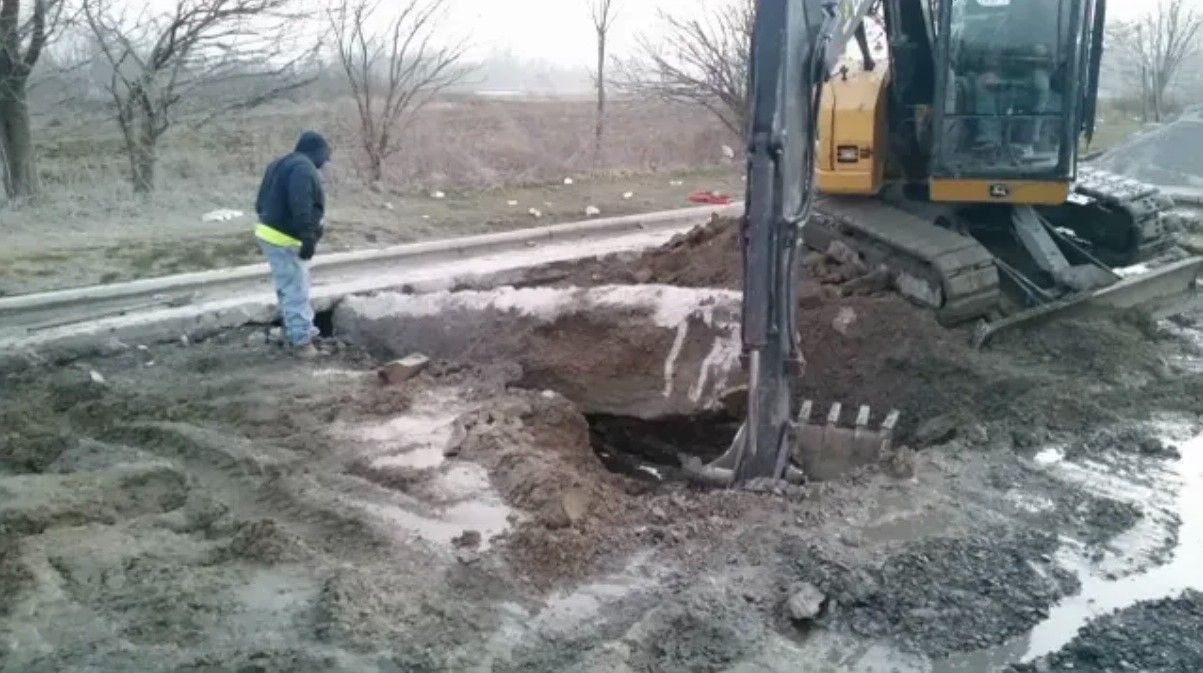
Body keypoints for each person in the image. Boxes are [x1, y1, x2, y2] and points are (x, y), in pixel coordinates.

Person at [255, 131, 332, 358]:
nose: (323, 164)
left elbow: (260, 201)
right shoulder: (302, 168)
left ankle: (299, 330)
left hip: (268, 231)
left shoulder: (280, 163)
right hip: (284, 237)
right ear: (316, 153)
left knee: (287, 286)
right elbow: (301, 203)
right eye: (323, 158)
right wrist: (308, 236)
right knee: (296, 288)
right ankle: (301, 341)